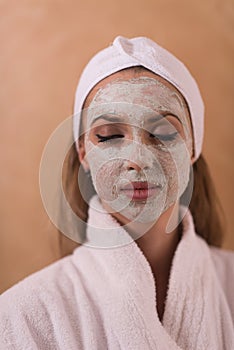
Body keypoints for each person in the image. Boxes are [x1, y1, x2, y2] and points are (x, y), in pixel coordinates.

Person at [0, 36, 234, 350]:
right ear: (83, 153)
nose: (137, 159)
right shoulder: (21, 317)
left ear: (193, 147)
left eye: (163, 133)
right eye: (109, 136)